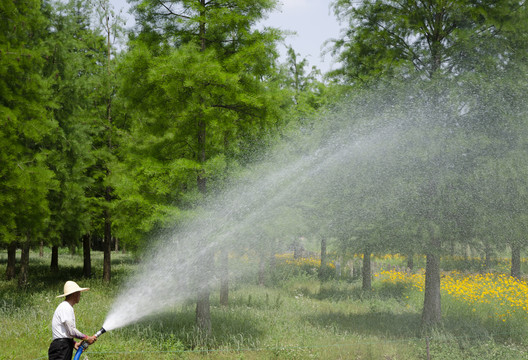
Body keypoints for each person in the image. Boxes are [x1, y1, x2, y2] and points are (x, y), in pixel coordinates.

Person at [48, 281, 97, 360]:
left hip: (64, 346)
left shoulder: (66, 307)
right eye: (79, 293)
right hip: (61, 348)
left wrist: (73, 343)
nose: (80, 295)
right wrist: (87, 338)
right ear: (74, 294)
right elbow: (71, 331)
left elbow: (64, 332)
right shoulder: (65, 307)